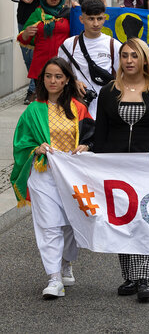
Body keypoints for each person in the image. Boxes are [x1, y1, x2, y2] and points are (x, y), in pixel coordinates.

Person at [93, 38, 149, 302]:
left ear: (144, 59)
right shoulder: (108, 91)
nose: (129, 60)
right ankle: (129, 276)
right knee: (122, 219)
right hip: (117, 167)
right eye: (124, 56)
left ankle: (143, 277)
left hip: (147, 168)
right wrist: (95, 162)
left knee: (144, 218)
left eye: (134, 55)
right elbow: (100, 132)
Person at [10, 58, 94, 300]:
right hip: (43, 174)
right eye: (48, 76)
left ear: (67, 79)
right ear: (42, 79)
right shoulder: (33, 110)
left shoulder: (78, 108)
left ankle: (66, 263)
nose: (53, 81)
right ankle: (54, 278)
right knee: (49, 225)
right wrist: (35, 149)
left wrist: (86, 147)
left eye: (58, 76)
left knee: (70, 223)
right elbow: (21, 143)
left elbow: (90, 136)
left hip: (72, 177)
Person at [10, 0, 59, 103]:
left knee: (41, 55)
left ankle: (34, 90)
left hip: (45, 20)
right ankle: (36, 86)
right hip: (25, 18)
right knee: (28, 57)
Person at [57, 0, 121, 118]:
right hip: (76, 109)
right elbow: (58, 74)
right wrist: (72, 82)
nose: (96, 24)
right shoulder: (69, 44)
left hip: (106, 110)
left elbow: (124, 78)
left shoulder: (114, 45)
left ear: (105, 18)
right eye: (91, 19)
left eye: (99, 18)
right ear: (82, 19)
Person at [17, 0, 72, 86]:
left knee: (62, 100)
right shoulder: (37, 13)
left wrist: (78, 8)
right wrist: (26, 34)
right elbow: (23, 39)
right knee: (43, 100)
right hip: (41, 65)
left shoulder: (69, 13)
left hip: (63, 63)